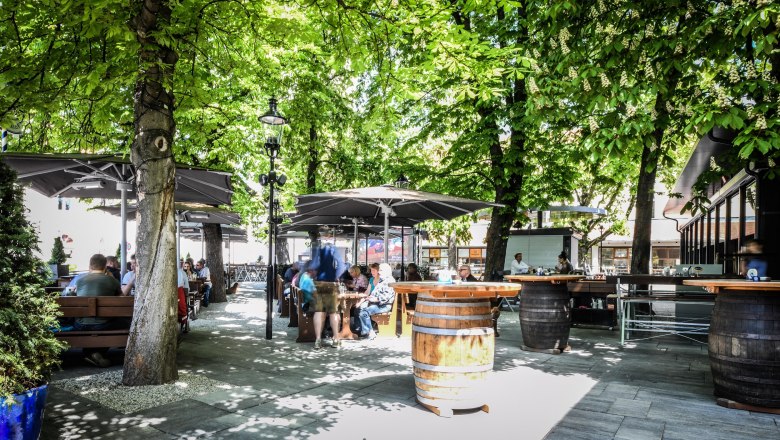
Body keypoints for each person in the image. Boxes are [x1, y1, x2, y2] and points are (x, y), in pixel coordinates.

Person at [74, 253, 125, 367]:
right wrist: (111, 278)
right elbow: (122, 300)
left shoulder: (80, 281)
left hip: (80, 325)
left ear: (90, 266)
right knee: (123, 321)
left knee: (97, 322)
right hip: (103, 325)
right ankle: (97, 353)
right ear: (105, 267)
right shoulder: (111, 280)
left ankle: (91, 353)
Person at [310, 245, 345, 350]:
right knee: (333, 312)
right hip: (331, 284)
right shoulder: (334, 249)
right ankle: (336, 339)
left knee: (318, 311)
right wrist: (335, 276)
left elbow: (313, 266)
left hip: (318, 284)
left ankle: (318, 340)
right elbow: (341, 266)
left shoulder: (317, 250)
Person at [357, 263, 396, 341]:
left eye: (381, 270)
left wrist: (374, 299)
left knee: (364, 312)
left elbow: (386, 297)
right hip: (378, 304)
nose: (379, 272)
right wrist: (371, 298)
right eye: (379, 270)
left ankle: (369, 332)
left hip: (384, 305)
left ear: (386, 270)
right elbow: (374, 292)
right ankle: (366, 331)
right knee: (360, 309)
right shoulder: (383, 280)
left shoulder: (390, 281)